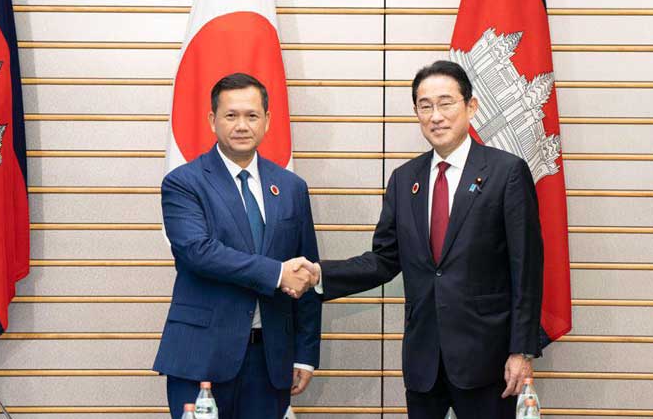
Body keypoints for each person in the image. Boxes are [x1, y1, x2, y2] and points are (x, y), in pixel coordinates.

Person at [305, 60, 543, 419]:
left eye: (446, 103)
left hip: (488, 358)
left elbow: (526, 268)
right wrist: (319, 274)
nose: (436, 116)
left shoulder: (505, 172)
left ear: (471, 107)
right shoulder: (405, 179)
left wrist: (521, 350)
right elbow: (384, 260)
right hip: (424, 360)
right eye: (425, 106)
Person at [153, 73, 321, 419]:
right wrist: (277, 273)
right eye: (231, 115)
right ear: (212, 120)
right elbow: (198, 251)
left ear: (267, 121)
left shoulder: (291, 187)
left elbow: (306, 271)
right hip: (201, 357)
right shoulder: (184, 183)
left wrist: (305, 353)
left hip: (270, 360)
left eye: (252, 115)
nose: (242, 125)